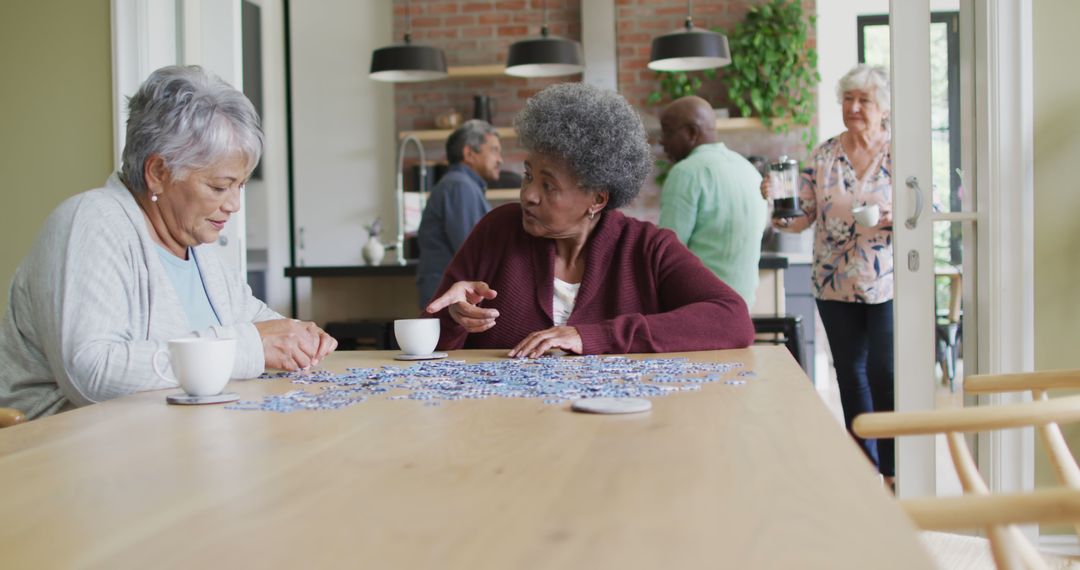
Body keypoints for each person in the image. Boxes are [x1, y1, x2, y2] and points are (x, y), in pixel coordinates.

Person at [0, 65, 336, 420]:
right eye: (220, 187)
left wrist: (299, 337)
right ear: (158, 173)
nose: (234, 204)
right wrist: (249, 346)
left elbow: (255, 323)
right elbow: (92, 373)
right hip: (63, 451)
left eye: (240, 186)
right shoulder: (90, 221)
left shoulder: (196, 250)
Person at [424, 83, 754, 357]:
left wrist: (594, 337)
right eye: (528, 176)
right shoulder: (497, 231)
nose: (528, 195)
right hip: (505, 426)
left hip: (613, 427)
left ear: (597, 199)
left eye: (548, 184)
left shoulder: (646, 247)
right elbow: (428, 349)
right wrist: (453, 319)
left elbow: (733, 319)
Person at [764, 64, 895, 483]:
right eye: (848, 99)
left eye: (864, 100)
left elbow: (923, 210)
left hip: (887, 280)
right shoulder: (824, 155)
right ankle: (864, 466)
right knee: (850, 372)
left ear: (883, 109)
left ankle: (894, 468)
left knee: (885, 371)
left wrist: (899, 217)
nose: (854, 108)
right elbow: (800, 218)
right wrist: (777, 202)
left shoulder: (901, 153)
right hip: (833, 279)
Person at [657, 96, 767, 308]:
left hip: (698, 308)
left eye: (668, 131)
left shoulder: (686, 172)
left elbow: (667, 253)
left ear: (691, 133)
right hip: (742, 310)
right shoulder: (748, 169)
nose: (662, 140)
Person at [416, 119, 502, 308]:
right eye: (494, 150)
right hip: (450, 297)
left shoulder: (461, 185)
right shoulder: (460, 186)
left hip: (449, 295)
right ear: (469, 153)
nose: (500, 159)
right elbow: (473, 249)